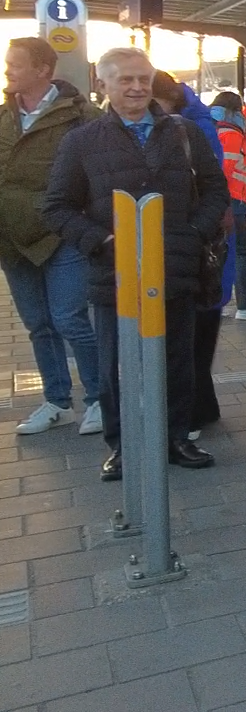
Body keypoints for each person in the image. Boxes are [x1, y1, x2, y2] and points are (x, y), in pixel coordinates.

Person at [42, 48, 224, 479]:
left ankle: (176, 437)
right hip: (116, 272)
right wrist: (103, 241)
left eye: (144, 78)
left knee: (178, 359)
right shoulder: (82, 141)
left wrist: (192, 233)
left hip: (175, 269)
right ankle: (123, 446)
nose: (138, 87)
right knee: (116, 365)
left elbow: (216, 191)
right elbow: (57, 207)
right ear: (103, 85)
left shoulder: (183, 134)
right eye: (126, 80)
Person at [1, 36, 104, 436]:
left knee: (70, 319)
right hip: (13, 238)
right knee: (39, 325)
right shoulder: (3, 117)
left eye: (15, 64)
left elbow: (99, 176)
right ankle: (57, 401)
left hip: (63, 236)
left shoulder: (81, 117)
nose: (7, 70)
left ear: (43, 70)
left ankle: (99, 398)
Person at [150, 74, 235, 441]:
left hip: (196, 248)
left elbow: (210, 188)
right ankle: (204, 406)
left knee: (191, 335)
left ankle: (193, 413)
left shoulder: (190, 130)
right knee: (199, 333)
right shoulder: (200, 122)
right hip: (199, 246)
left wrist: (192, 232)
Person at [209, 92, 246, 321]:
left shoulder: (214, 130)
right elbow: (227, 169)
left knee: (222, 253)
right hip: (233, 202)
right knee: (241, 253)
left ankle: (218, 302)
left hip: (224, 202)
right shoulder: (230, 134)